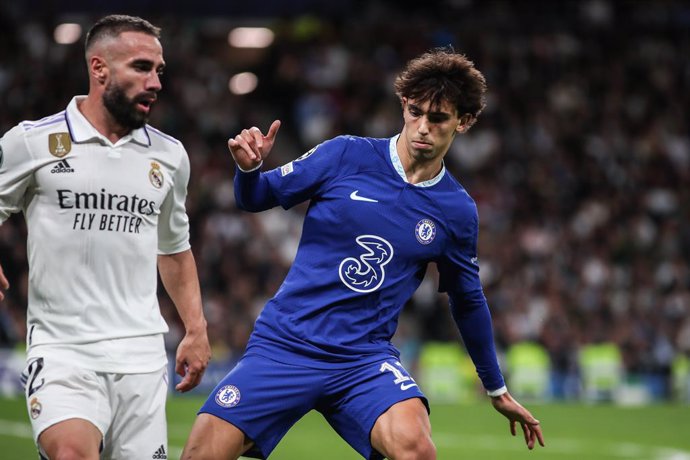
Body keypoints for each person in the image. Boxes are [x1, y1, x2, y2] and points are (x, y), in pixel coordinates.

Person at [182, 46, 544, 460]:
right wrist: (249, 170)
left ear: (464, 122)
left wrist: (495, 387)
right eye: (414, 111)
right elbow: (256, 197)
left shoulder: (456, 211)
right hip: (286, 345)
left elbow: (467, 300)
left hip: (363, 359)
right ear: (403, 107)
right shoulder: (345, 154)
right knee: (201, 454)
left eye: (438, 117)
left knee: (416, 450)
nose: (421, 126)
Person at [0, 14, 211, 460]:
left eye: (159, 70)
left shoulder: (170, 156)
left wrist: (195, 327)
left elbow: (173, 248)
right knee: (73, 454)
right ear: (99, 69)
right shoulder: (33, 142)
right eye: (141, 67)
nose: (155, 82)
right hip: (62, 350)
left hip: (141, 357)